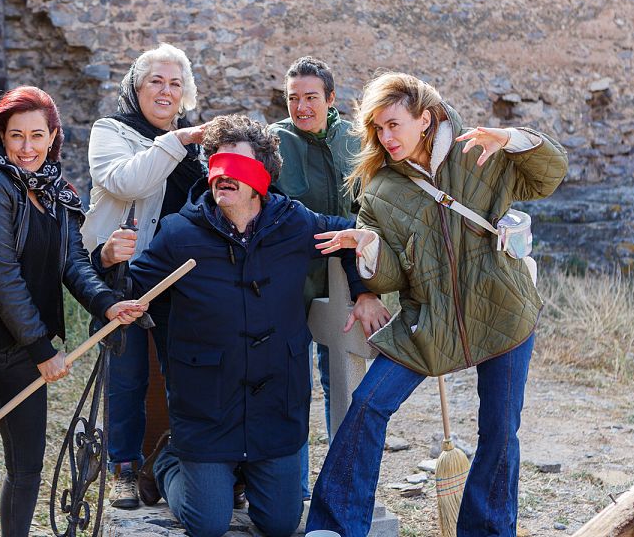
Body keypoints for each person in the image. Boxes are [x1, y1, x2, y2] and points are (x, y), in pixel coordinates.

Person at [305, 72, 568, 536]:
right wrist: (367, 246)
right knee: (368, 406)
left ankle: (484, 530)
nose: (386, 138)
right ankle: (335, 526)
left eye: (393, 125)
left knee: (500, 431)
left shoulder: (478, 152)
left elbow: (550, 175)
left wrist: (511, 139)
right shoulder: (381, 189)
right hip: (428, 321)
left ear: (424, 118)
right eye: (378, 129)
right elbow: (389, 276)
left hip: (503, 310)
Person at [99, 114, 367, 537]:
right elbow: (129, 289)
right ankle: (168, 461)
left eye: (237, 164)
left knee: (279, 525)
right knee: (208, 525)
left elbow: (353, 237)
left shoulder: (293, 222)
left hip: (274, 404)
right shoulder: (178, 232)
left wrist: (364, 291)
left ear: (262, 176)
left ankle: (238, 480)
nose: (222, 173)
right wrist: (107, 260)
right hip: (207, 405)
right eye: (216, 162)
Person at [0, 86, 147, 537]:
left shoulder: (59, 195)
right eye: (16, 135)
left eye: (36, 135)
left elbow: (73, 263)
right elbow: (2, 278)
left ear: (52, 136)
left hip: (20, 355)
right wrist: (43, 348)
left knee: (26, 473)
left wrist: (106, 301)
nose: (27, 147)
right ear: (1, 138)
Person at [80, 43, 207, 509]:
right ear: (136, 87)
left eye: (175, 84)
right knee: (127, 376)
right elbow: (126, 183)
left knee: (186, 375)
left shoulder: (194, 147)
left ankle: (190, 467)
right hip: (125, 274)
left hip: (182, 279)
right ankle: (124, 469)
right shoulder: (110, 131)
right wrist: (180, 141)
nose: (166, 91)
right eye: (156, 81)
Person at [269, 56, 391, 498]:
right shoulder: (274, 143)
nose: (302, 107)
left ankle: (340, 486)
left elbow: (373, 216)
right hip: (291, 280)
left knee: (340, 377)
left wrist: (366, 289)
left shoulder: (358, 141)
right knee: (289, 384)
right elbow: (279, 217)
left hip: (346, 279)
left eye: (311, 98)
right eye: (293, 98)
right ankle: (294, 489)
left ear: (331, 99)